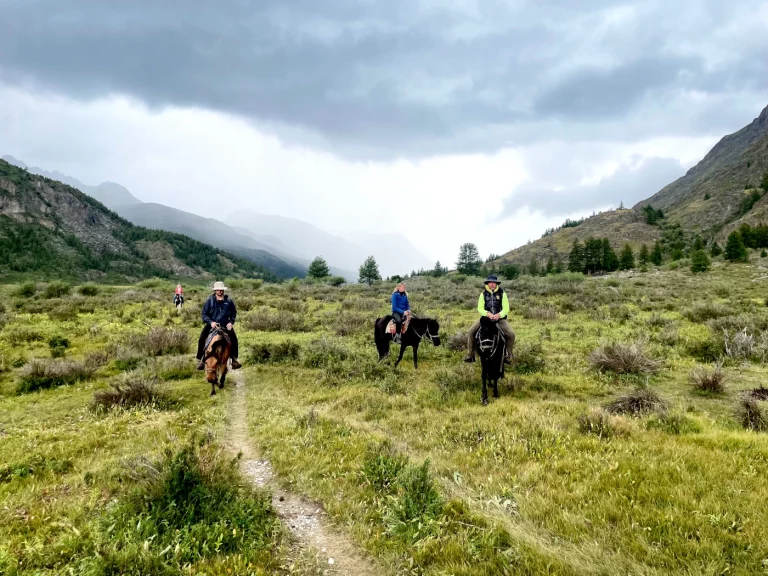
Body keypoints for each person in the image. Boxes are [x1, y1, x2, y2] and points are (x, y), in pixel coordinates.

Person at [464, 275, 515, 364]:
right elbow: (480, 308)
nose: (492, 284)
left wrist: (499, 315)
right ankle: (470, 355)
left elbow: (506, 308)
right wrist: (487, 314)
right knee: (471, 332)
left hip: (500, 319)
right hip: (485, 318)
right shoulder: (483, 294)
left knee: (511, 334)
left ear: (496, 284)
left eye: (493, 283)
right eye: (490, 283)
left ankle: (507, 355)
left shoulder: (502, 293)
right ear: (488, 283)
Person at [196, 281, 241, 370]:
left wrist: (231, 322)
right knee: (202, 338)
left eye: (221, 289)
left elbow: (233, 313)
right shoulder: (210, 301)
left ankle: (234, 359)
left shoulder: (229, 301)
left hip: (225, 325)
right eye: (218, 290)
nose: (220, 291)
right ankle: (201, 359)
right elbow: (204, 314)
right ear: (215, 291)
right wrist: (211, 322)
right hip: (212, 325)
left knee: (234, 339)